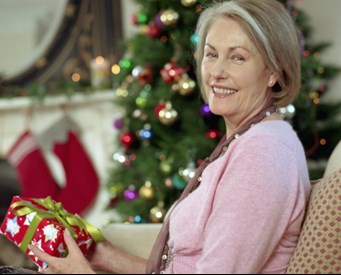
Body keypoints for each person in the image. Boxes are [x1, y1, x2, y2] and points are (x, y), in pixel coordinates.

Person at [28, 0, 311, 273]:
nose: (217, 72)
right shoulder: (243, 140)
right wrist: (106, 257)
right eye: (211, 54)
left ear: (274, 71)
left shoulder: (263, 154)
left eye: (237, 57)